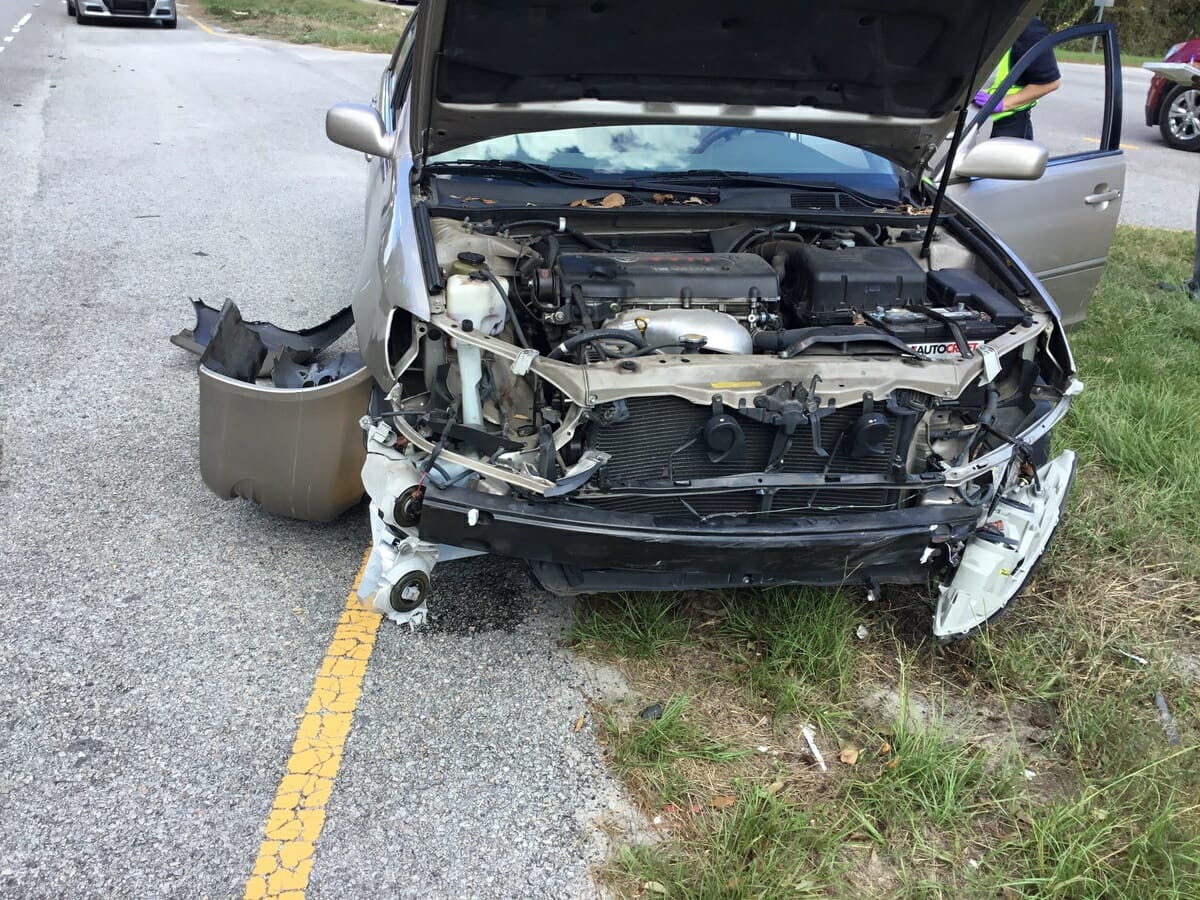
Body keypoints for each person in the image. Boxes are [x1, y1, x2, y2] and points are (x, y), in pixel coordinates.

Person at [974, 17, 1062, 140]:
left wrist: (1003, 103)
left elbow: (1050, 83)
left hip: (1006, 126)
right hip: (963, 119)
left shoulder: (1027, 29)